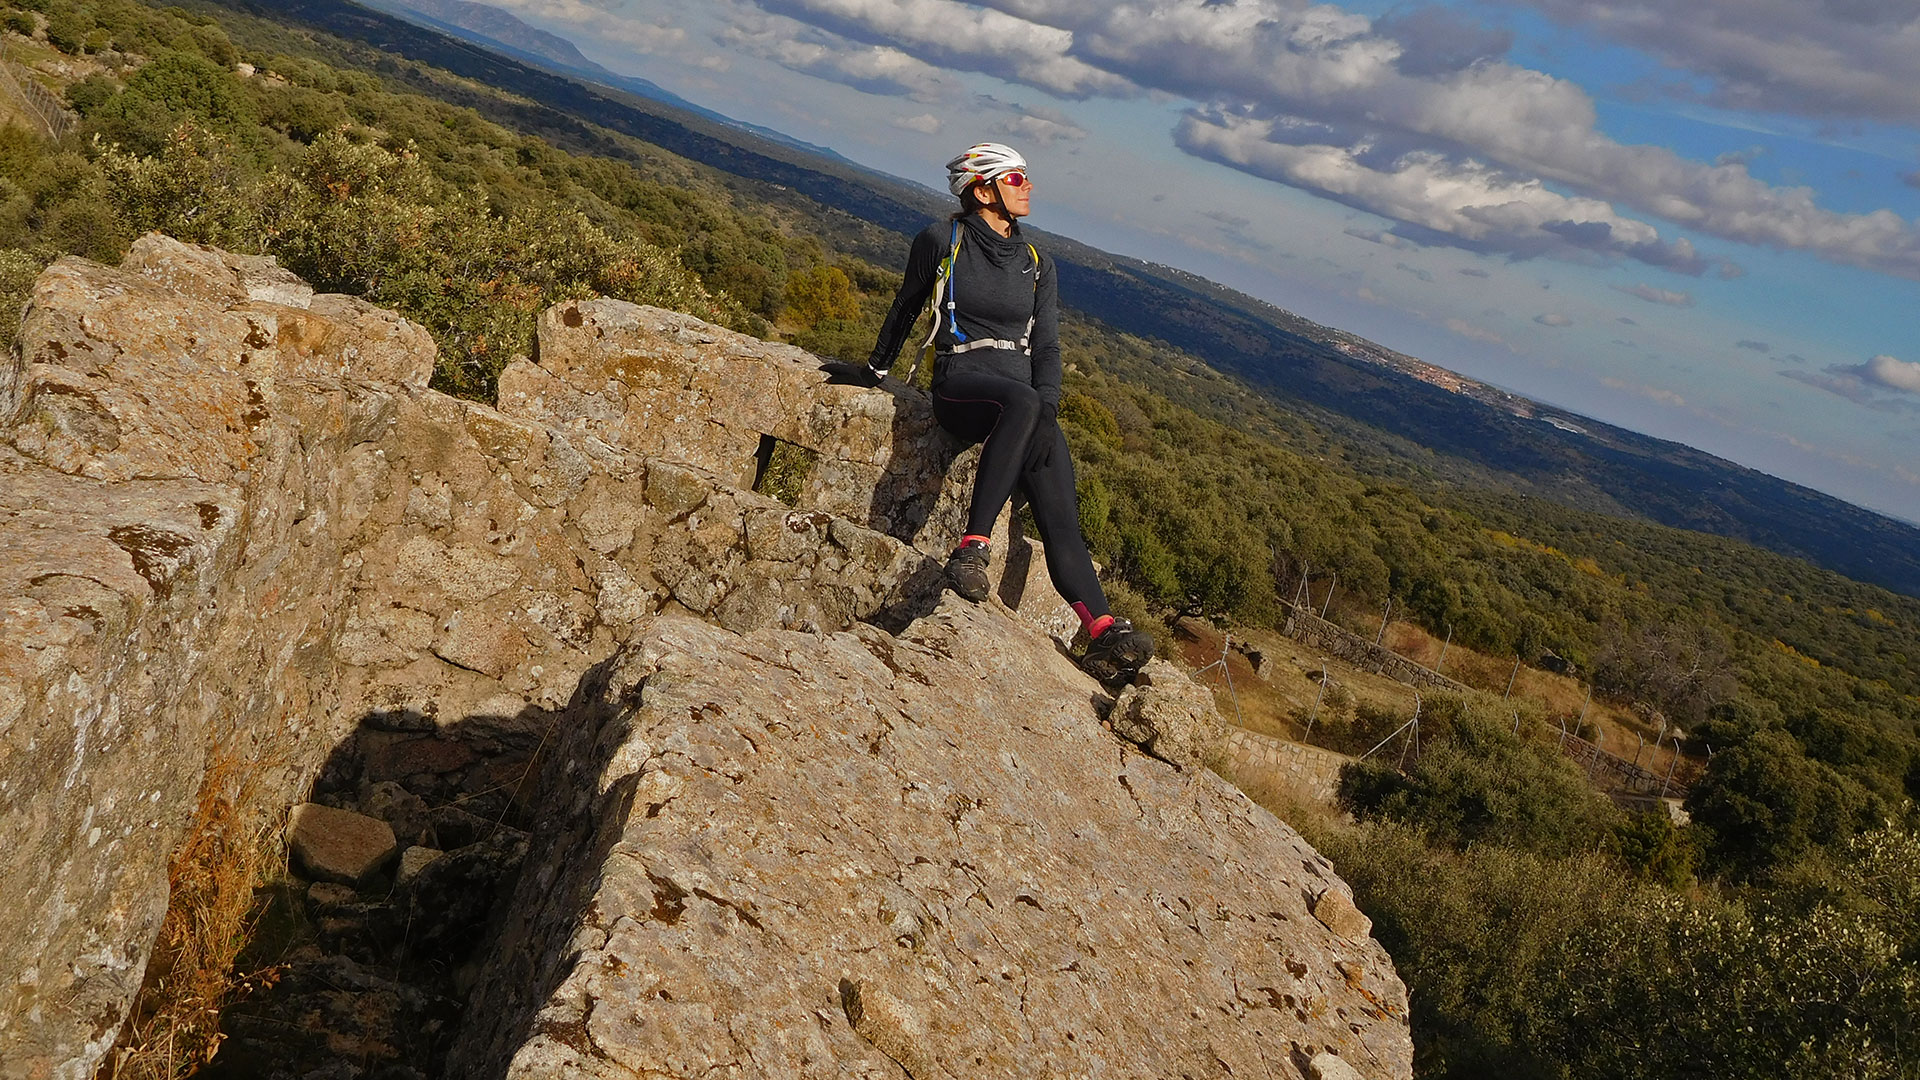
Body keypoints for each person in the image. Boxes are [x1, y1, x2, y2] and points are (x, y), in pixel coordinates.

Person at [857, 142, 1154, 682]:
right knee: (1022, 401)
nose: (1028, 187)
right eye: (1017, 179)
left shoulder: (1038, 263)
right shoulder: (942, 240)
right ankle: (972, 549)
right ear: (984, 188)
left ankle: (1102, 631)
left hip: (1024, 402)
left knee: (1062, 514)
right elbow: (905, 306)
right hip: (961, 385)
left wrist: (1050, 410)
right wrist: (874, 371)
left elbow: (1048, 348)